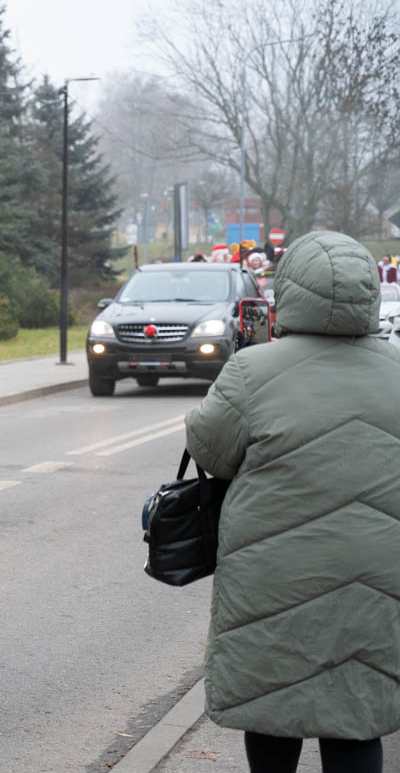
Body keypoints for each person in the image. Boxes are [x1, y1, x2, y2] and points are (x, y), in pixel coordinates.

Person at [185, 231, 400, 773]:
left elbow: (209, 447)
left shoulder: (253, 370)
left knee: (272, 710)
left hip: (274, 572)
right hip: (378, 572)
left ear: (291, 293)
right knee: (356, 713)